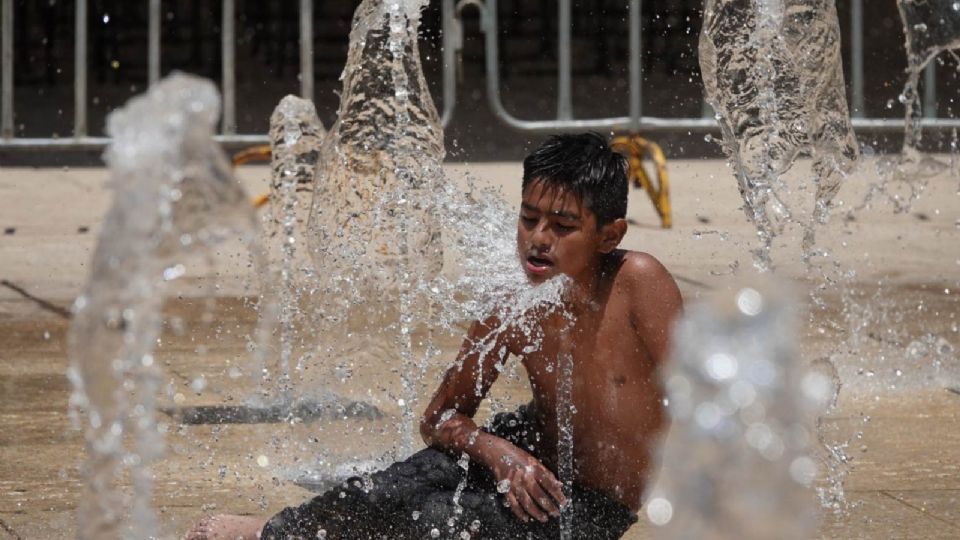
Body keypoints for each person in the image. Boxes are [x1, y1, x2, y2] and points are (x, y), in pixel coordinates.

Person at [187, 133, 683, 539]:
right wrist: (499, 452)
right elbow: (440, 417)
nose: (538, 238)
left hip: (593, 503)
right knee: (384, 491)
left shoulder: (637, 283)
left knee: (437, 524)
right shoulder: (513, 300)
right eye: (529, 219)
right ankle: (278, 533)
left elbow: (709, 397)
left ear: (609, 235)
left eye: (562, 226)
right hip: (521, 446)